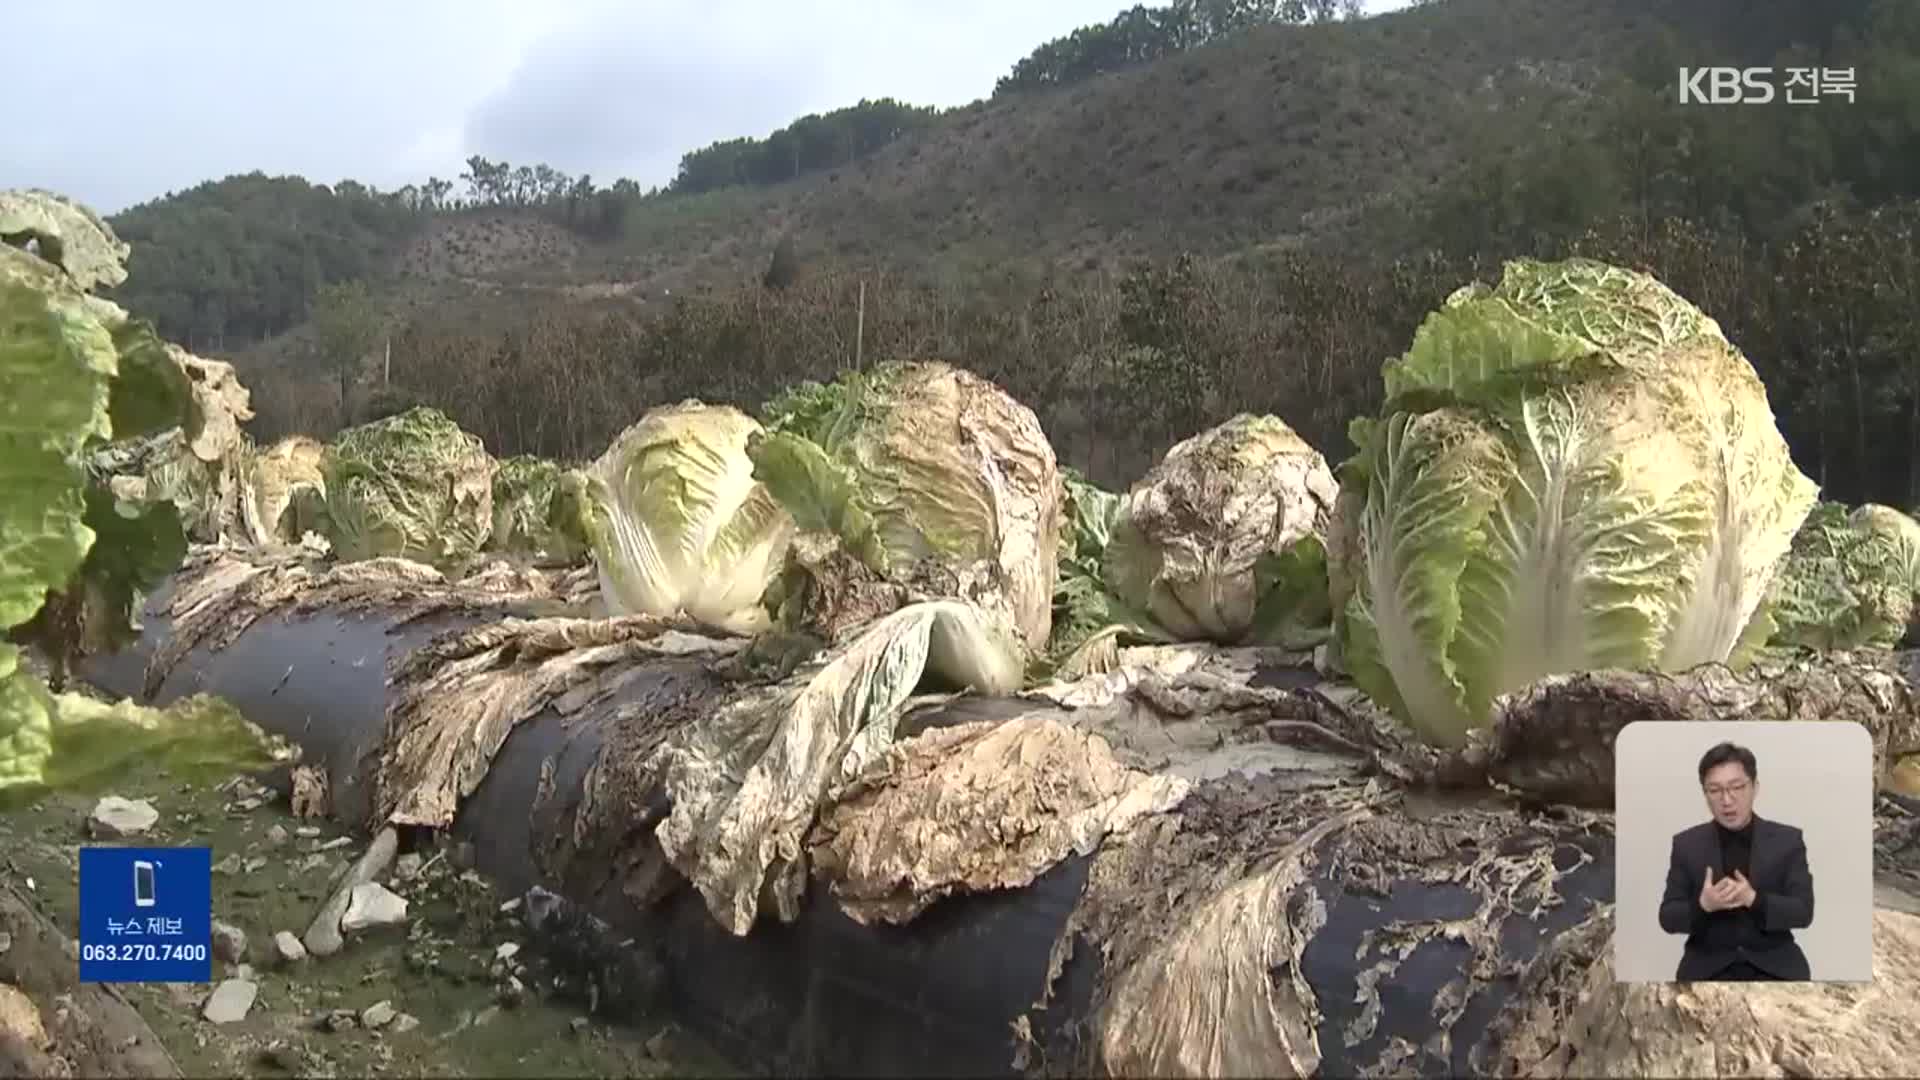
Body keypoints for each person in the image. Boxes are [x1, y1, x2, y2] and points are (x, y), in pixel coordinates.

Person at [1657, 741, 1814, 981]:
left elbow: (1803, 912)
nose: (1727, 800)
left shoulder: (1787, 840)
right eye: (1715, 790)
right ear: (1705, 794)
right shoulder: (1686, 844)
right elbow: (1668, 917)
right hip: (1707, 969)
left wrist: (1753, 899)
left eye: (1736, 787)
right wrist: (1703, 905)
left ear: (1755, 787)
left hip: (1775, 968)